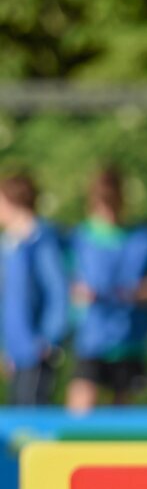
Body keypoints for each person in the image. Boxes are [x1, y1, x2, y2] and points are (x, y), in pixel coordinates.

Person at [66, 166, 147, 412]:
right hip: (93, 338)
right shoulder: (80, 238)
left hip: (128, 337)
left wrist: (136, 294)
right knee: (82, 403)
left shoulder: (142, 240)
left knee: (122, 413)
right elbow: (67, 283)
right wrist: (79, 294)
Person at [0, 173, 68, 405]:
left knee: (32, 413)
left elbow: (58, 290)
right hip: (16, 350)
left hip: (36, 348)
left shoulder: (41, 241)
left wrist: (49, 338)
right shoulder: (8, 245)